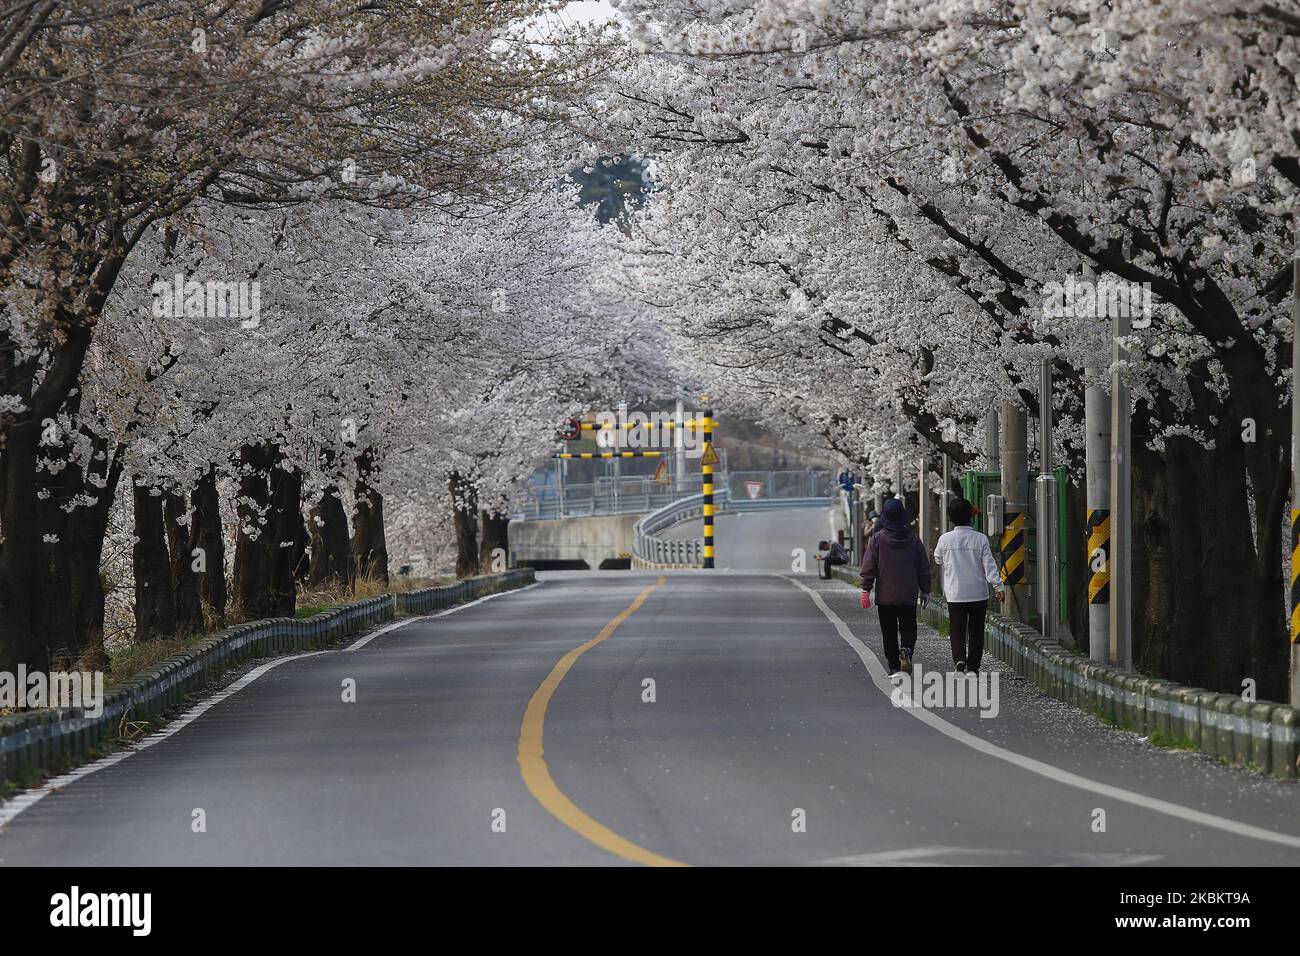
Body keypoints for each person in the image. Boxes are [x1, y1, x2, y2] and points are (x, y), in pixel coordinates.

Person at [933, 496, 1006, 673]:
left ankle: (959, 659)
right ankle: (973, 667)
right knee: (976, 630)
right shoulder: (980, 539)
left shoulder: (945, 539)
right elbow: (989, 565)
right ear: (970, 516)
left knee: (957, 627)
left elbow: (937, 558)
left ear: (951, 517)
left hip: (955, 593)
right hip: (977, 593)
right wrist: (998, 586)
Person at [860, 497, 931, 675]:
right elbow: (923, 567)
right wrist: (925, 590)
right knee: (908, 627)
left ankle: (893, 666)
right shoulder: (914, 540)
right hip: (908, 594)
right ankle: (906, 649)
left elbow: (869, 566)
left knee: (889, 631)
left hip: (885, 596)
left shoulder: (876, 540)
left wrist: (865, 589)